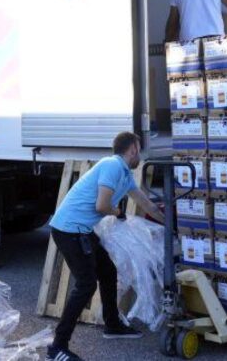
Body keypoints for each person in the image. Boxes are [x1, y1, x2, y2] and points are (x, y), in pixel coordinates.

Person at [46, 132, 164, 361]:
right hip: (69, 230)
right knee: (86, 284)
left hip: (82, 231)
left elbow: (145, 203)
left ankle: (112, 325)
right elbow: (102, 205)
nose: (140, 154)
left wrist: (169, 225)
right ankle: (57, 347)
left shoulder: (126, 174)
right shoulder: (111, 165)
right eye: (139, 149)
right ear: (132, 150)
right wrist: (118, 212)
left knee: (107, 271)